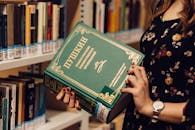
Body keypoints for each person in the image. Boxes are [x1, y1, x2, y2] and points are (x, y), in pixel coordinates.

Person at [56, 0, 195, 129]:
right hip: (136, 122)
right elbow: (152, 76)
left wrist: (150, 107)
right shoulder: (164, 5)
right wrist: (88, 94)